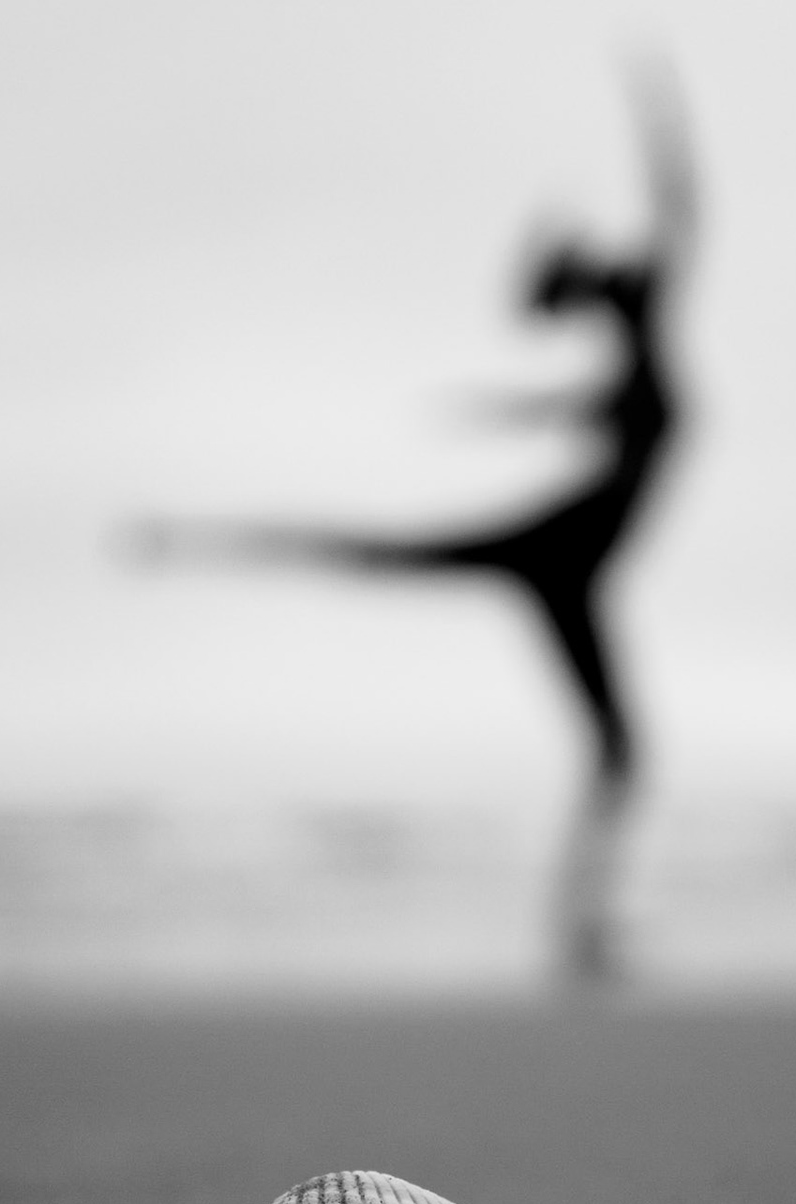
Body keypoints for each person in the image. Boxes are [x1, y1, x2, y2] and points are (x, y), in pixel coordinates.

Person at [127, 62, 697, 984]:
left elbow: (676, 212)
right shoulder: (633, 365)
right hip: (565, 545)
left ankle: (579, 923)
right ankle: (190, 539)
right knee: (382, 561)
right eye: (577, 279)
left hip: (574, 563)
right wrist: (655, 112)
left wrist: (655, 110)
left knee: (615, 748)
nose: (596, 283)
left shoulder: (638, 349)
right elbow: (671, 225)